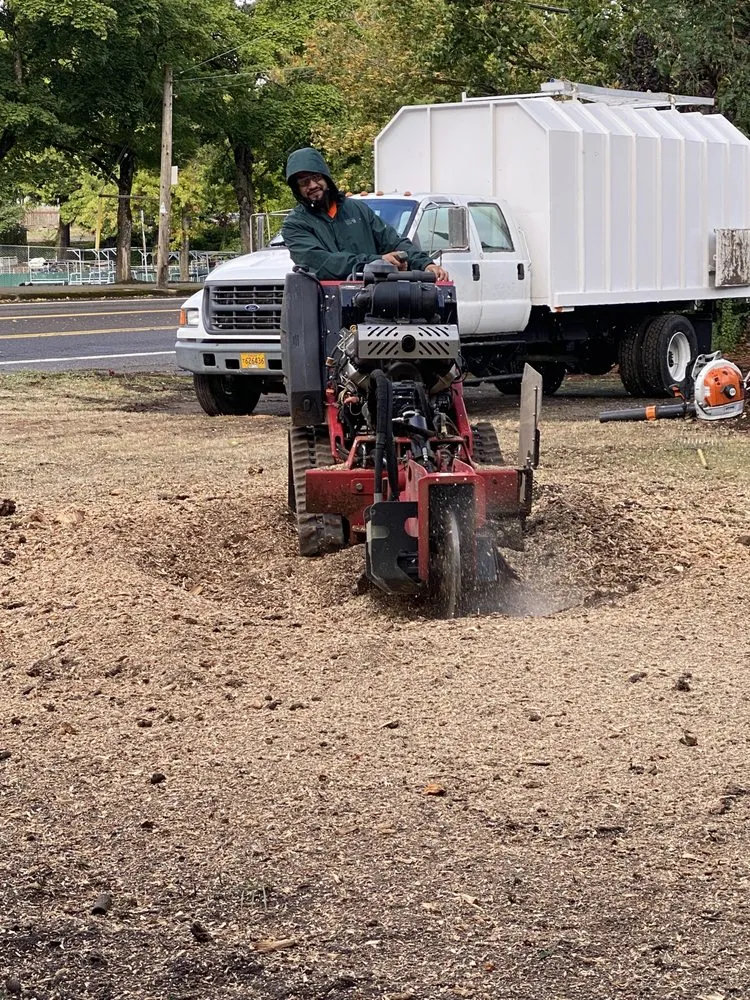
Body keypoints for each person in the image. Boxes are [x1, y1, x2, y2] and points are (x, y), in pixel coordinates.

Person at [281, 148, 449, 282]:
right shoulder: (295, 224)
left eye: (316, 177)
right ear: (297, 189)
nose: (312, 185)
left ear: (326, 177)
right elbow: (323, 264)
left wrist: (425, 264)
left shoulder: (357, 209)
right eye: (303, 183)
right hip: (325, 304)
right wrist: (377, 261)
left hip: (376, 296)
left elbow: (392, 241)